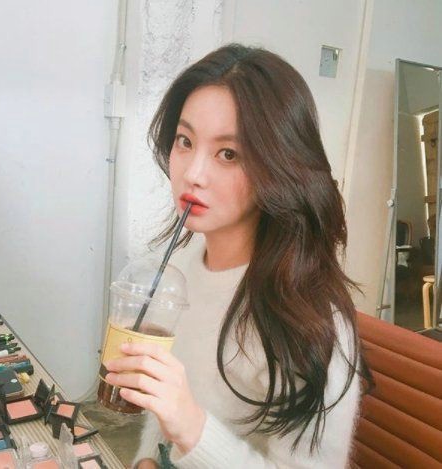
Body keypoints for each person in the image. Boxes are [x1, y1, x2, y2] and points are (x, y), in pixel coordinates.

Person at [104, 43, 371, 468]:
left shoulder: (310, 322)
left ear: (279, 166)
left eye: (228, 154)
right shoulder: (183, 268)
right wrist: (146, 459)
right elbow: (165, 408)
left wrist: (191, 427)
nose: (193, 174)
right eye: (185, 141)